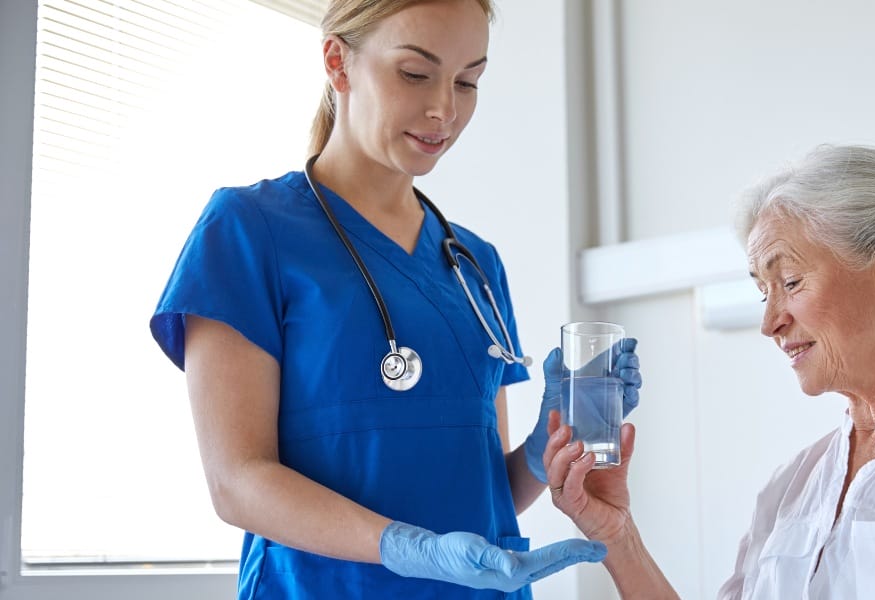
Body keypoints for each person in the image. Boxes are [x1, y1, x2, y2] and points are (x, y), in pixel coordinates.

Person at [148, 1, 640, 598]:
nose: (445, 110)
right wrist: (410, 549)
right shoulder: (249, 231)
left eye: (468, 81)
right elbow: (237, 481)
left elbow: (483, 490)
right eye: (415, 73)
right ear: (338, 60)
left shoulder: (475, 265)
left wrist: (542, 449)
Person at [543, 144, 875, 599]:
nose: (770, 322)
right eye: (762, 291)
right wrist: (617, 536)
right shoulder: (793, 485)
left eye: (791, 282)